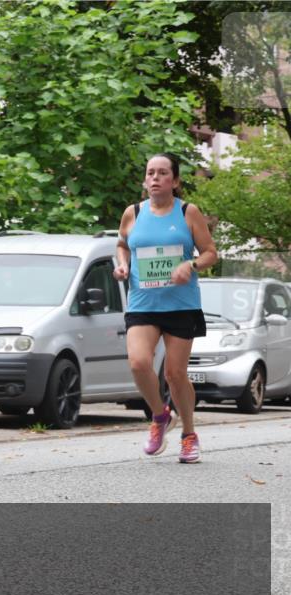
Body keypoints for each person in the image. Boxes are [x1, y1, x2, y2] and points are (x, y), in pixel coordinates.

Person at [114, 153, 218, 463]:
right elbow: (122, 244)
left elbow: (210, 253)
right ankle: (160, 416)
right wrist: (123, 264)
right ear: (145, 180)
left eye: (162, 173)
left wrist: (191, 265)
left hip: (180, 305)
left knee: (174, 374)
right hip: (143, 303)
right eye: (150, 173)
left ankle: (189, 434)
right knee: (138, 363)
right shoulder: (133, 213)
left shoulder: (188, 212)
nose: (155, 178)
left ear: (175, 180)